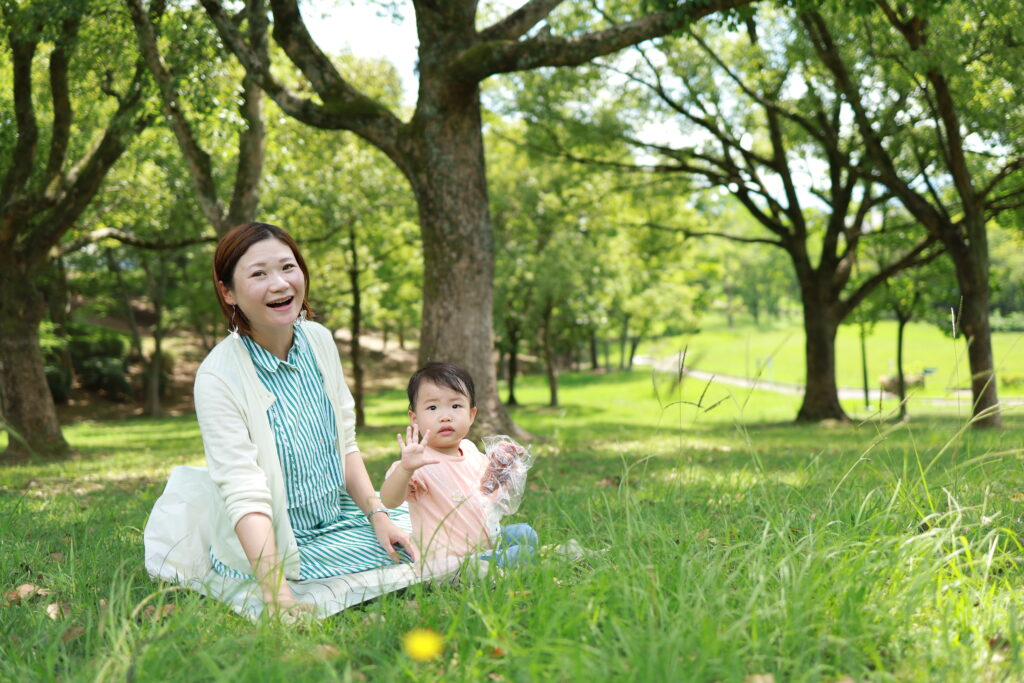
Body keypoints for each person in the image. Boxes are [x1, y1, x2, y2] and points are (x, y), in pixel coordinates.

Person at [193, 221, 416, 617]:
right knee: (431, 540)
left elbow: (344, 445)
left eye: (287, 267)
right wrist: (277, 597)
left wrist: (378, 515)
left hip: (338, 516)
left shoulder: (319, 340)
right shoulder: (218, 377)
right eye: (258, 274)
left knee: (432, 516)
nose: (279, 284)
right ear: (228, 292)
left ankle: (495, 543)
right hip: (282, 540)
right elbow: (244, 493)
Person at [380, 362, 538, 568]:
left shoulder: (469, 449)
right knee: (522, 554)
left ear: (471, 415)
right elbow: (389, 500)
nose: (445, 416)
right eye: (432, 407)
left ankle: (497, 559)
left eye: (456, 406)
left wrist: (505, 469)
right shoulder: (418, 461)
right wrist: (406, 469)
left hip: (482, 542)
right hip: (449, 559)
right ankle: (490, 569)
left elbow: (486, 492)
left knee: (526, 534)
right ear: (415, 418)